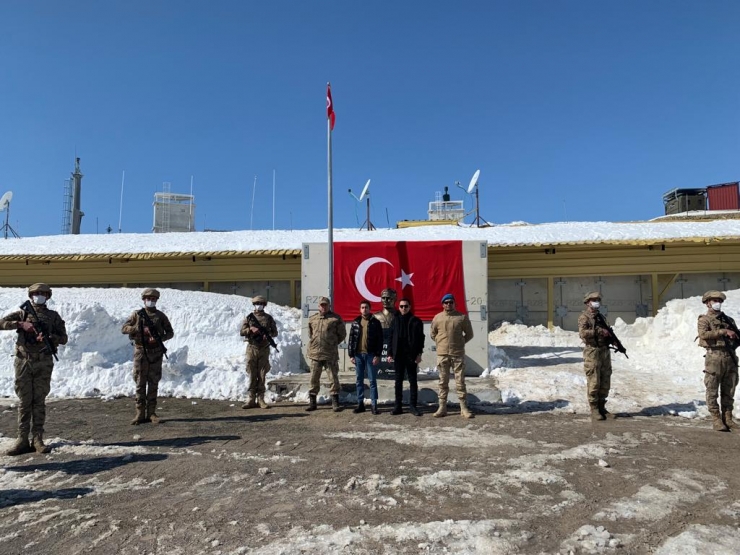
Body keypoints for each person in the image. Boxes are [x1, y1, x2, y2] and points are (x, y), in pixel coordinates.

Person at [0, 283, 67, 455]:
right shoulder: (23, 313)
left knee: (39, 401)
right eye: (36, 293)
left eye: (43, 293)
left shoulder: (53, 316)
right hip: (23, 361)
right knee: (24, 401)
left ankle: (37, 438)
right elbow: (1, 322)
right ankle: (22, 439)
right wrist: (20, 324)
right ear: (30, 295)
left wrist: (50, 337)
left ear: (48, 296)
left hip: (43, 362)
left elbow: (64, 338)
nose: (39, 296)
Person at [121, 288, 175, 425]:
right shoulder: (137, 315)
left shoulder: (161, 316)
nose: (150, 301)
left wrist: (159, 339)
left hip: (155, 353)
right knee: (139, 382)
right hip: (140, 352)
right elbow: (124, 328)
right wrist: (136, 329)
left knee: (153, 382)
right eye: (148, 299)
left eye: (153, 299)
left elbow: (170, 332)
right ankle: (140, 413)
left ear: (156, 300)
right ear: (144, 299)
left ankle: (152, 413)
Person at [697, 290, 739, 432]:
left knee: (729, 390)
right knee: (712, 389)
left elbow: (736, 335)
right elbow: (703, 334)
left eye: (719, 301)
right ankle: (716, 419)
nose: (717, 303)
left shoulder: (728, 320)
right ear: (707, 303)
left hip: (730, 358)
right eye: (714, 300)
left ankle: (728, 419)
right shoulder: (704, 319)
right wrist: (723, 332)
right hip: (714, 358)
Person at [430, 293, 474, 419]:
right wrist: (441, 344)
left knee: (460, 382)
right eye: (446, 302)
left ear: (454, 303)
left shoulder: (461, 318)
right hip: (442, 354)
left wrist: (460, 343)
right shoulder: (437, 318)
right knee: (443, 382)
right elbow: (433, 334)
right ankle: (442, 407)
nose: (448, 304)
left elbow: (469, 334)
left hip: (457, 354)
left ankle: (463, 407)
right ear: (442, 304)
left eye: (450, 302)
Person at [577, 291, 615, 421]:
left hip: (604, 351)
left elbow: (607, 332)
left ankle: (602, 407)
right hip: (592, 352)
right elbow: (583, 334)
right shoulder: (584, 317)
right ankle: (594, 409)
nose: (596, 301)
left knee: (605, 380)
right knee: (594, 381)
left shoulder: (601, 317)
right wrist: (599, 331)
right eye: (594, 299)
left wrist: (612, 339)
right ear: (587, 302)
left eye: (598, 299)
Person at [306, 296, 346, 412]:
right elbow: (311, 334)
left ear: (329, 306)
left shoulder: (335, 319)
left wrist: (331, 343)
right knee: (313, 379)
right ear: (319, 306)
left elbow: (342, 335)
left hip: (330, 354)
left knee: (333, 378)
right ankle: (312, 403)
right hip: (315, 354)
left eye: (326, 305)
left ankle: (335, 403)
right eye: (321, 305)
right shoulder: (313, 319)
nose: (323, 307)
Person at [240, 295, 279, 410]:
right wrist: (250, 330)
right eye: (257, 304)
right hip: (252, 348)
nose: (259, 305)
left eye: (261, 304)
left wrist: (267, 335)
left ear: (264, 305)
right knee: (252, 372)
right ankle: (251, 398)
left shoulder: (268, 318)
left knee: (262, 374)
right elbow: (242, 332)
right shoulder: (249, 318)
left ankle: (261, 399)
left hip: (264, 348)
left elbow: (275, 332)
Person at [347, 299, 383, 415]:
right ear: (360, 309)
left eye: (366, 307)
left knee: (372, 380)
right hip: (358, 355)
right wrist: (351, 355)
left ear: (370, 309)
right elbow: (351, 339)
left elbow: (380, 340)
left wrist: (378, 355)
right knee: (359, 380)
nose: (364, 309)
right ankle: (360, 404)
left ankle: (374, 405)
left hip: (370, 355)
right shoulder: (356, 322)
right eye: (362, 307)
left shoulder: (375, 322)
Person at [389, 298, 424, 416]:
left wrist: (419, 354)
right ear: (398, 308)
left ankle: (413, 406)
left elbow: (421, 339)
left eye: (406, 306)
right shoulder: (395, 320)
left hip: (411, 355)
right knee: (398, 381)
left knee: (412, 381)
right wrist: (390, 353)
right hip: (398, 355)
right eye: (401, 306)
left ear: (409, 307)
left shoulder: (416, 321)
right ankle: (397, 406)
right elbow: (391, 337)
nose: (404, 308)